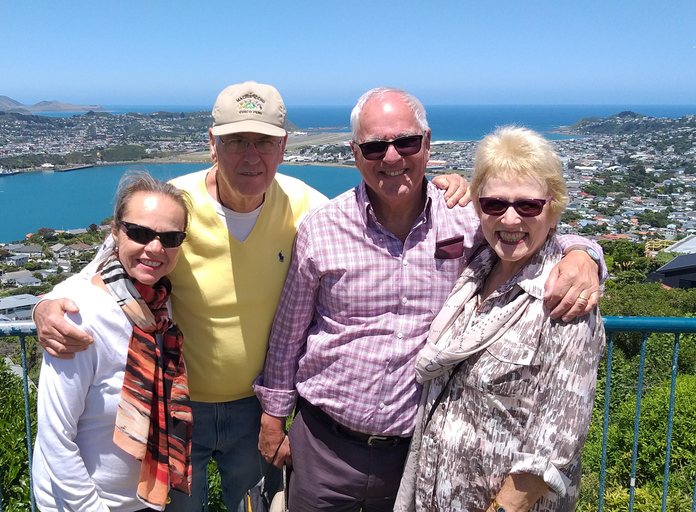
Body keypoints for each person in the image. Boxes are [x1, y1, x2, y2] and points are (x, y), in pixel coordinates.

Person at [33, 81, 467, 512]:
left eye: (263, 142)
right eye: (236, 140)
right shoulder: (175, 206)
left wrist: (443, 185)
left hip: (256, 410)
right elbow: (110, 263)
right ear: (213, 145)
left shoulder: (305, 207)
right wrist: (47, 303)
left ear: (282, 147)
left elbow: (368, 216)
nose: (251, 155)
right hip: (178, 406)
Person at [253, 88, 605, 512]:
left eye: (406, 142)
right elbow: (289, 331)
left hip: (414, 455)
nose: (392, 157)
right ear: (355, 152)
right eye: (374, 146)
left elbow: (526, 226)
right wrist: (273, 418)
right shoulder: (322, 228)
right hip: (326, 444)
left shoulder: (466, 217)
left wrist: (584, 253)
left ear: (427, 143)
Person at [395, 126, 606, 512]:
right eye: (494, 204)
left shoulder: (564, 303)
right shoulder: (476, 267)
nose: (510, 220)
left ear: (553, 207)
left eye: (528, 206)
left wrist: (585, 254)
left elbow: (552, 448)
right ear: (479, 207)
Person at [32, 170, 193, 511]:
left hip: (146, 500)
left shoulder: (159, 306)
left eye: (170, 238)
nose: (155, 247)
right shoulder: (79, 316)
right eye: (140, 232)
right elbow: (54, 437)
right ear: (116, 233)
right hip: (82, 504)